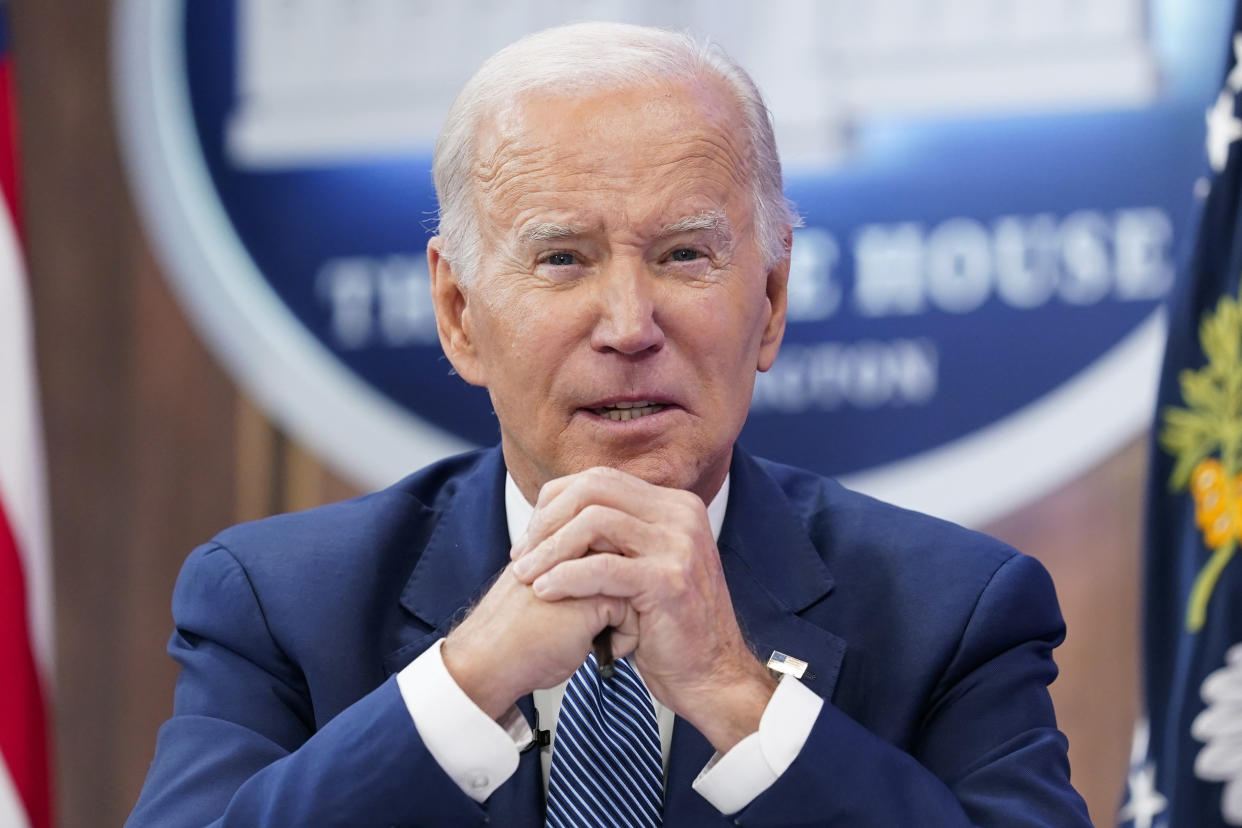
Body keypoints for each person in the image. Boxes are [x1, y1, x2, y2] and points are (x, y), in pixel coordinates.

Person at [127, 21, 1091, 827]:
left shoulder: (955, 612)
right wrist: (467, 681)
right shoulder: (280, 603)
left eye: (681, 255)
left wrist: (739, 697)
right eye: (561, 259)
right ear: (459, 314)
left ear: (772, 297)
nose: (630, 326)